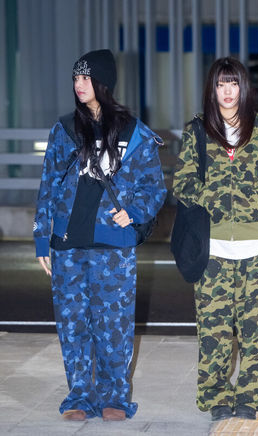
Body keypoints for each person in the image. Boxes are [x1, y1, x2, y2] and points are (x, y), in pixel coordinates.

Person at [33, 49, 166, 421]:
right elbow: (47, 187)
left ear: (103, 82)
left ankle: (115, 397)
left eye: (86, 78)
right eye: (76, 78)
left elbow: (154, 187)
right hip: (67, 244)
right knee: (72, 324)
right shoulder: (63, 129)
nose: (79, 85)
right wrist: (42, 237)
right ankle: (79, 395)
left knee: (113, 325)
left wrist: (133, 212)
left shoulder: (133, 132)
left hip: (113, 244)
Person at [173, 57, 258, 422]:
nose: (228, 91)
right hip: (214, 247)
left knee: (256, 328)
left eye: (233, 83)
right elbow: (183, 183)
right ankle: (215, 394)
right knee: (214, 329)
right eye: (221, 84)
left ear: (244, 87)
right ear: (212, 89)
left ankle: (251, 395)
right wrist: (215, 199)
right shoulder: (198, 130)